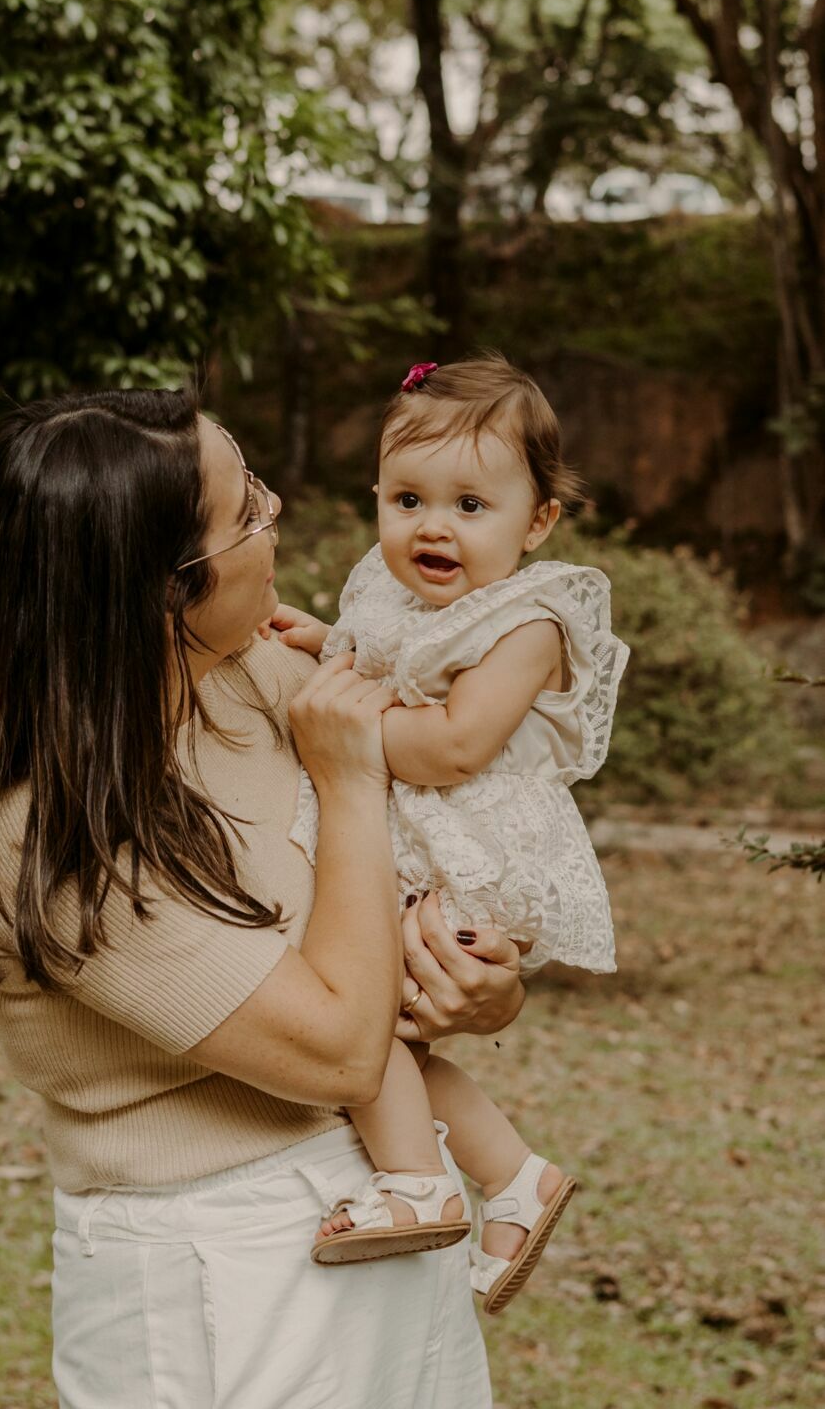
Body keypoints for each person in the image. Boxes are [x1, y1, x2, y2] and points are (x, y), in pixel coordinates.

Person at [0, 385, 524, 1408]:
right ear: (165, 587)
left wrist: (479, 989)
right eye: (249, 513)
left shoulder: (243, 675)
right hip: (223, 1262)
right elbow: (336, 1047)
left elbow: (368, 939)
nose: (277, 527)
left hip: (392, 1201)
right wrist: (348, 781)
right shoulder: (46, 831)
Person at [271, 354, 629, 1314]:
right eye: (406, 498)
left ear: (538, 520)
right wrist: (320, 645)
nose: (432, 525)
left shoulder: (530, 620)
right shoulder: (392, 590)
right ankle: (512, 1178)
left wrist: (338, 725)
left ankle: (419, 1185)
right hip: (413, 849)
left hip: (472, 855)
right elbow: (376, 656)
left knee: (363, 1012)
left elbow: (453, 745)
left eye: (471, 505)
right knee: (395, 1039)